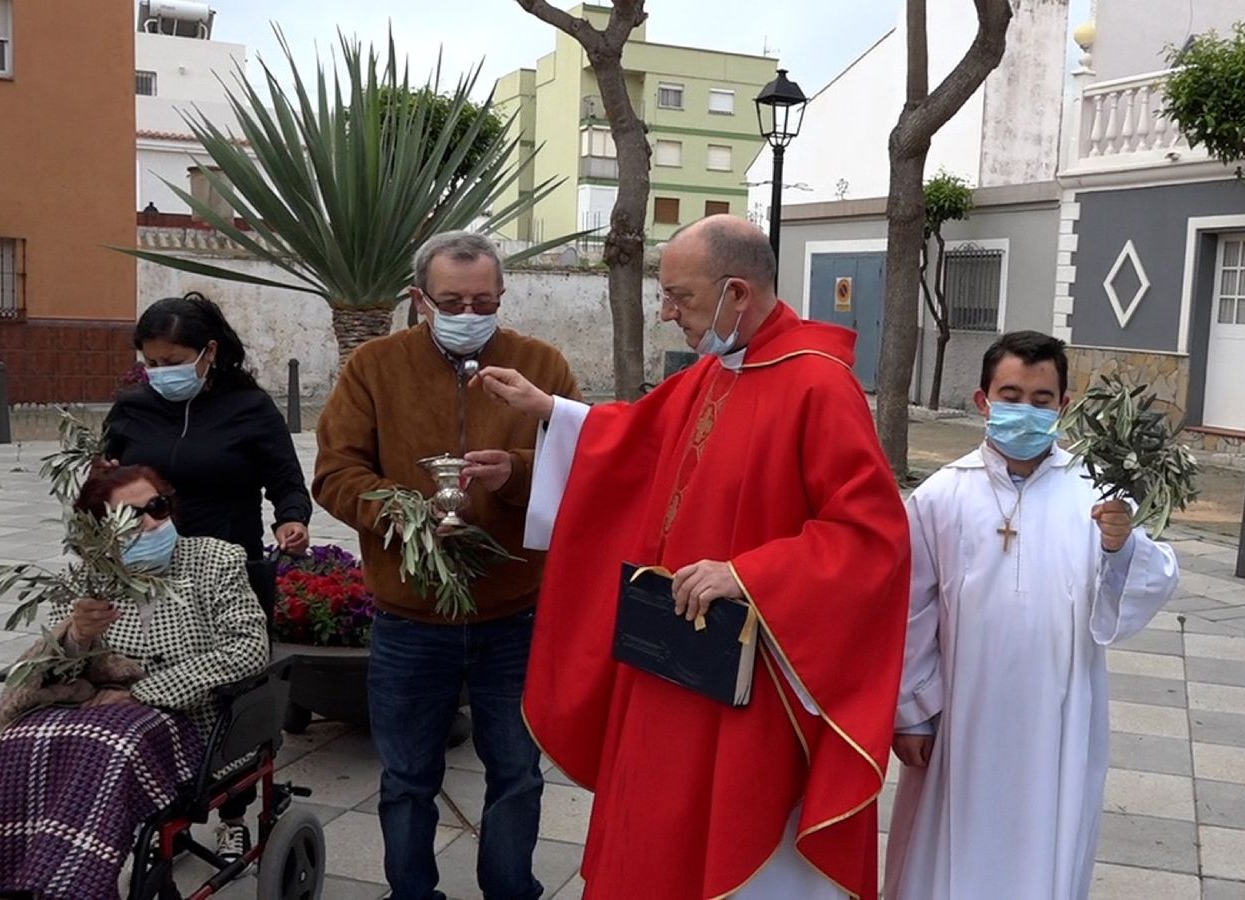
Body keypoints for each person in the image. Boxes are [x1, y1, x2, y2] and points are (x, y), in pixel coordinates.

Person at [475, 215, 911, 899]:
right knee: (656, 836)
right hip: (671, 658)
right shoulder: (716, 369)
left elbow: (871, 534)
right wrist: (553, 411)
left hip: (751, 678)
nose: (667, 312)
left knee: (734, 843)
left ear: (738, 292)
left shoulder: (818, 386)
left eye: (680, 296)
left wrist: (748, 573)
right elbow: (638, 440)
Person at [313, 231, 580, 900]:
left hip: (514, 614)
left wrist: (514, 473)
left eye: (484, 300)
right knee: (406, 778)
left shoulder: (540, 365)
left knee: (517, 771)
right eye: (453, 300)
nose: (470, 313)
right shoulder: (374, 367)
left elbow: (581, 467)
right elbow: (336, 473)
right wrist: (403, 513)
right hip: (409, 617)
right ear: (419, 299)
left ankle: (511, 889)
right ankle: (411, 892)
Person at [882, 331, 1181, 899]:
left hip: (1058, 712)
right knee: (947, 851)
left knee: (1048, 839)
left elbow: (1153, 578)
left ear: (1063, 406)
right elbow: (911, 608)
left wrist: (1121, 547)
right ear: (982, 402)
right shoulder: (941, 496)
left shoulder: (1096, 491)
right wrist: (913, 711)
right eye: (1011, 395)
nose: (1026, 410)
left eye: (1041, 399)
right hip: (962, 715)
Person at [0, 464, 269, 900]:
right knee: (13, 744)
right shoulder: (93, 580)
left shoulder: (216, 559)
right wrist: (77, 635)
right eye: (132, 517)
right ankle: (1, 875)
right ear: (102, 531)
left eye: (156, 507)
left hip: (191, 719)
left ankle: (70, 884)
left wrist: (143, 692)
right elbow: (55, 673)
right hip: (101, 713)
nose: (151, 523)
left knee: (107, 751)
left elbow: (248, 648)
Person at [104, 291, 311, 859]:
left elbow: (286, 479)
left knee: (225, 693)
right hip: (143, 567)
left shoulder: (248, 408)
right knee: (146, 681)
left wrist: (291, 520)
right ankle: (152, 799)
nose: (161, 372)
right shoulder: (132, 407)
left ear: (208, 352)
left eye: (173, 360)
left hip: (226, 567)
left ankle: (234, 809)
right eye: (152, 361)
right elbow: (105, 479)